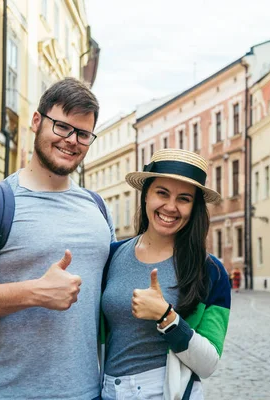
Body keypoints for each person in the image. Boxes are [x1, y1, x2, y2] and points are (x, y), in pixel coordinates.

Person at [0, 78, 115, 400]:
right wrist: (34, 292)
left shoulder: (98, 209)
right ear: (36, 121)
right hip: (1, 392)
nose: (71, 141)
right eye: (61, 127)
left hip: (86, 392)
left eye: (83, 134)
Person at [100, 149, 232, 400]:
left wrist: (167, 317)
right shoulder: (112, 256)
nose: (170, 207)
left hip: (165, 391)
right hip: (108, 390)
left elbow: (208, 364)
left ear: (194, 207)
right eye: (162, 193)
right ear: (146, 195)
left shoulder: (211, 272)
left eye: (184, 198)